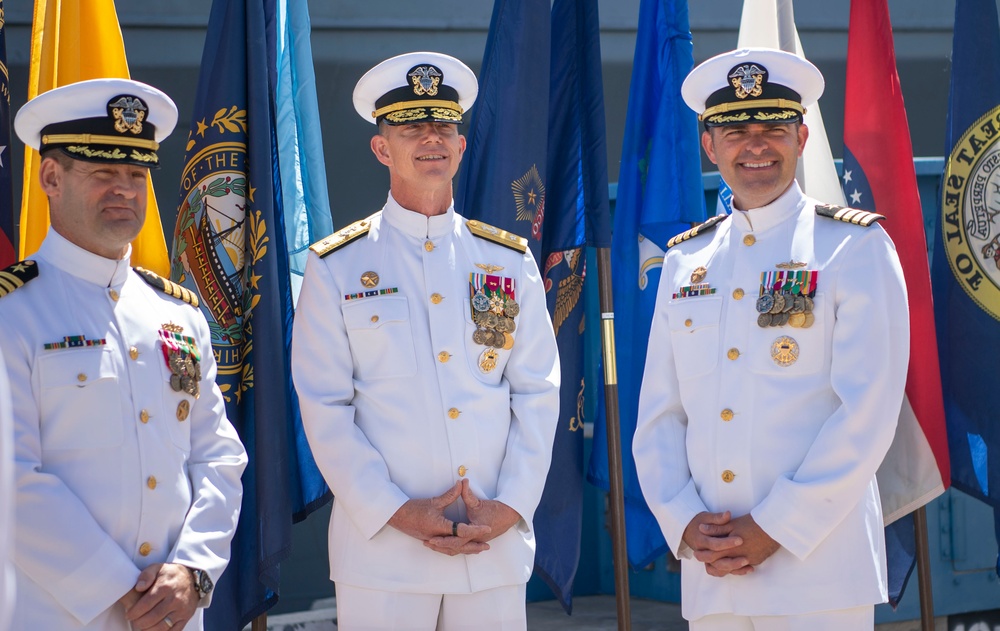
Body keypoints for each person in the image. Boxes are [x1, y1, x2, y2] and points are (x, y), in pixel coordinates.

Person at [633, 48, 910, 630]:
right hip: (714, 579)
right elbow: (661, 415)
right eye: (735, 130)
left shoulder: (854, 249)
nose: (754, 144)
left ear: (802, 137)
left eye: (774, 128)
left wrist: (777, 527)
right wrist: (683, 522)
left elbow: (868, 413)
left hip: (819, 574)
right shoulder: (686, 261)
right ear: (709, 145)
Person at [292, 52, 560, 630]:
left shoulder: (508, 261)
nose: (431, 139)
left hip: (492, 546)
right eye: (411, 127)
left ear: (462, 146)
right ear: (381, 149)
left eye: (443, 125)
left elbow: (537, 392)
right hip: (384, 555)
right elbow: (325, 406)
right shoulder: (337, 266)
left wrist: (511, 506)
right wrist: (396, 511)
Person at [2, 78, 248, 630]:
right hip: (60, 615)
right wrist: (123, 591)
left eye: (136, 174)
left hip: (177, 612)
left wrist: (193, 572)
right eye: (102, 173)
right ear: (50, 177)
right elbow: (10, 476)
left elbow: (217, 457)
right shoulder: (12, 315)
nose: (125, 191)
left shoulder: (178, 313)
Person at [0, 351, 13, 631]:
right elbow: (14, 471)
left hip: (181, 605)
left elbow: (193, 460)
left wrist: (189, 566)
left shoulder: (178, 311)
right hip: (51, 612)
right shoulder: (11, 314)